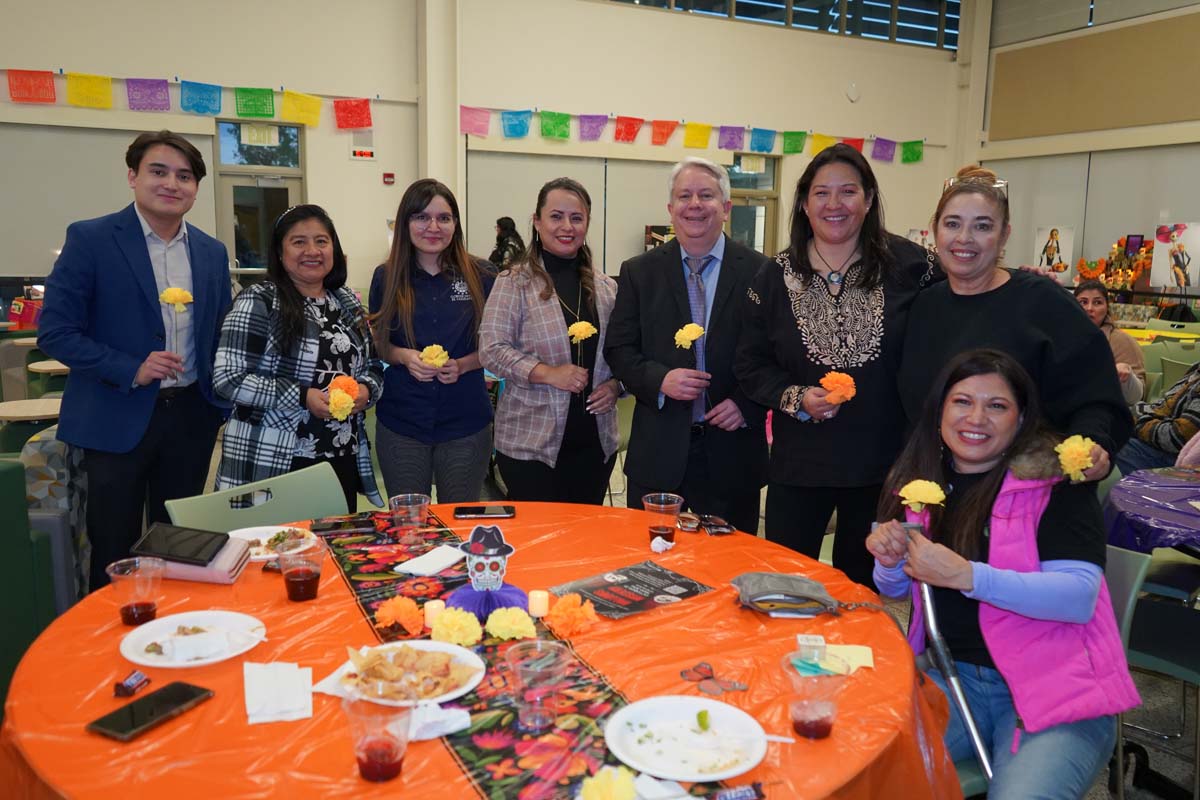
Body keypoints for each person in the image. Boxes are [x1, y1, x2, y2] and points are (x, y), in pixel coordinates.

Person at [869, 349, 1139, 800]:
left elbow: (1078, 596)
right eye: (962, 402)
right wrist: (890, 559)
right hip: (950, 681)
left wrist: (967, 575)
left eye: (997, 406)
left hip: (1058, 692)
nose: (976, 417)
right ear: (939, 411)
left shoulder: (1056, 483)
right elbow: (899, 589)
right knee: (857, 769)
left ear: (1020, 419)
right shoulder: (924, 485)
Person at [735, 143, 936, 586]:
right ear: (805, 203)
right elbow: (750, 364)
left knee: (862, 591)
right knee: (788, 585)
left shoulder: (911, 267)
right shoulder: (773, 276)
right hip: (800, 464)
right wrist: (796, 397)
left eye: (848, 192)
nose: (834, 204)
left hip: (885, 466)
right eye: (821, 193)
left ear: (868, 199)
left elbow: (955, 316)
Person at [39, 130, 231, 590]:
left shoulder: (211, 251)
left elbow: (221, 330)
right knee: (114, 545)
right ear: (133, 176)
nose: (172, 184)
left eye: (185, 176)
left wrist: (218, 407)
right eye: (158, 171)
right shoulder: (91, 239)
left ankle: (175, 637)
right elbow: (56, 332)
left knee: (181, 542)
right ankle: (110, 646)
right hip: (114, 415)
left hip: (190, 415)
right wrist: (131, 368)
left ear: (196, 188)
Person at [899, 165, 1131, 481]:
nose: (964, 238)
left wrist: (1092, 444)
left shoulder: (1043, 301)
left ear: (1005, 234)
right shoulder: (924, 305)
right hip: (940, 487)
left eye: (982, 226)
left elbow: (1096, 395)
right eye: (952, 224)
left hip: (1031, 491)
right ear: (935, 231)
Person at [605, 157, 768, 533]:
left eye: (706, 195)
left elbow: (776, 352)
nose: (694, 204)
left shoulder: (761, 272)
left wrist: (746, 403)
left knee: (729, 568)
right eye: (684, 196)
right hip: (659, 454)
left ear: (726, 208)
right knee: (653, 568)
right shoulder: (638, 272)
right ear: (670, 208)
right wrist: (660, 380)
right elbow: (619, 350)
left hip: (733, 450)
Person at [213, 205, 383, 512]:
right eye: (298, 242)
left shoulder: (345, 301)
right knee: (277, 554)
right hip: (275, 458)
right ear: (280, 252)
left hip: (339, 455)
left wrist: (366, 391)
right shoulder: (260, 300)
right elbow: (228, 379)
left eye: (321, 241)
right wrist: (303, 396)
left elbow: (373, 365)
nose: (312, 251)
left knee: (333, 550)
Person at [478, 178, 620, 504]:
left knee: (585, 546)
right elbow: (491, 349)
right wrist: (547, 372)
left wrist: (616, 386)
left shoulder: (607, 288)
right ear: (537, 221)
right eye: (556, 216)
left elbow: (623, 354)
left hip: (595, 445)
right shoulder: (513, 282)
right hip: (531, 448)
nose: (566, 226)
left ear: (587, 222)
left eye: (576, 217)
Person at [369, 179, 494, 503]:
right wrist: (404, 357)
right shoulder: (387, 276)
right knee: (411, 527)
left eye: (444, 218)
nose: (433, 226)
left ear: (455, 224)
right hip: (403, 422)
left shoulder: (483, 275)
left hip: (466, 421)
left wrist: (464, 364)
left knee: (460, 521)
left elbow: (500, 346)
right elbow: (379, 344)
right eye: (422, 217)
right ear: (406, 222)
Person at [1115, 361, 1200, 474]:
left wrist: (1136, 418)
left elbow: (1176, 437)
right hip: (1159, 444)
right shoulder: (1195, 370)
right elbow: (1160, 407)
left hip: (1179, 463)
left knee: (1107, 446)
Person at [1073, 279, 1145, 404]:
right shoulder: (1060, 336)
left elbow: (1137, 397)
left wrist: (1127, 378)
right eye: (1083, 302)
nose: (1089, 308)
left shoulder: (1122, 341)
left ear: (1107, 307)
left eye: (1097, 302)